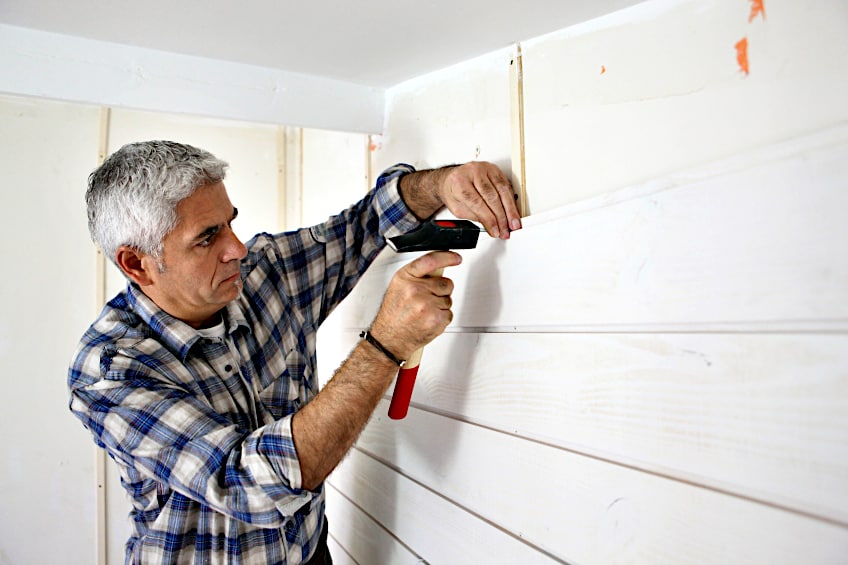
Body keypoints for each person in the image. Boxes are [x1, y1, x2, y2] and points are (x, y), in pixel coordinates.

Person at [68, 140, 522, 564]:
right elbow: (249, 485)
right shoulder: (110, 371)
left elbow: (368, 222)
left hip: (307, 552)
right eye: (207, 238)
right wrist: (385, 346)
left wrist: (443, 184)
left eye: (231, 222)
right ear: (136, 263)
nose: (237, 249)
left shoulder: (266, 275)